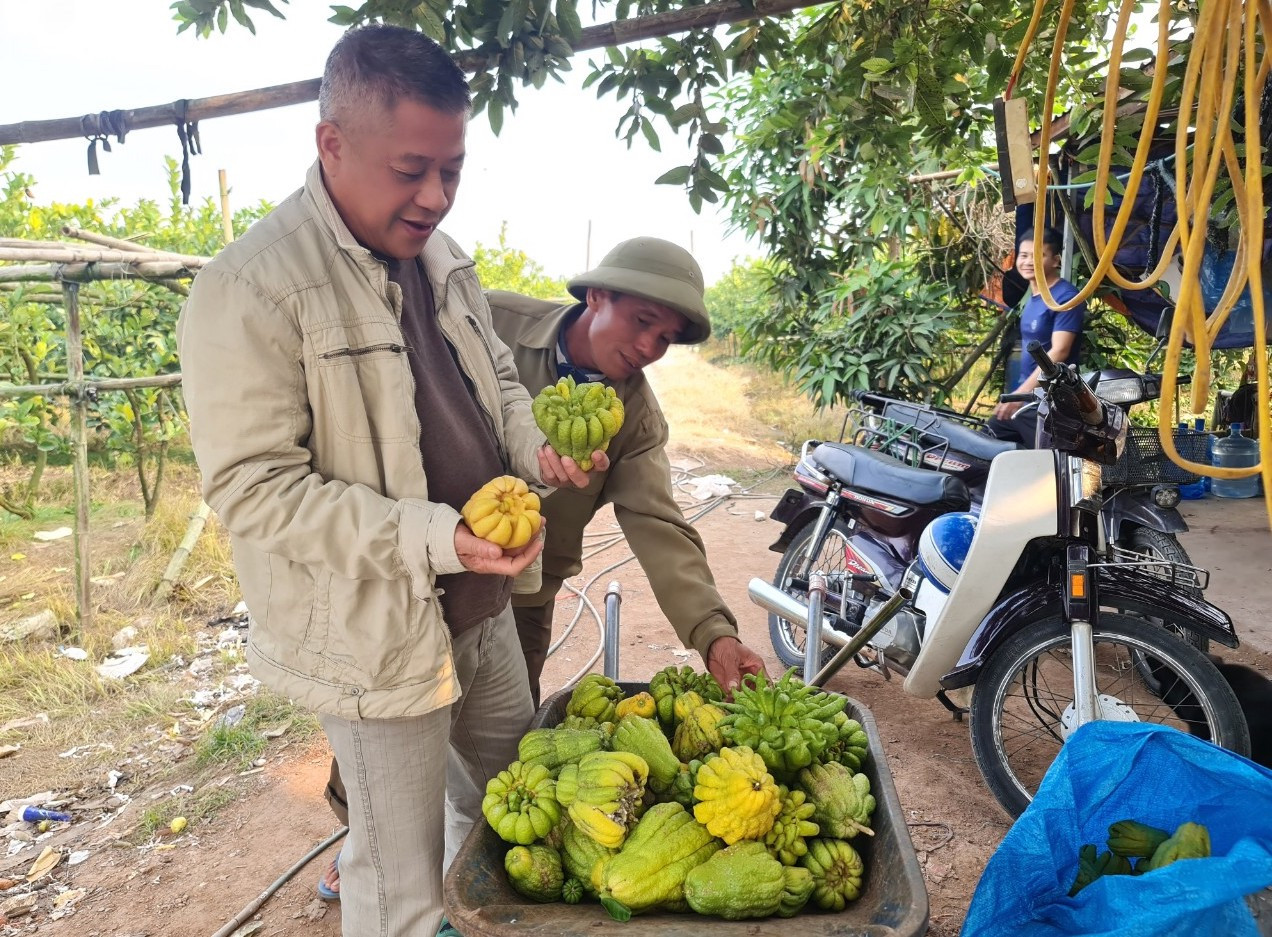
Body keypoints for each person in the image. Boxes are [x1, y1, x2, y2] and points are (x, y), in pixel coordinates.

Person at [176, 25, 605, 937]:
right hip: (375, 639)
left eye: (452, 169)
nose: (436, 196)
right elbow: (254, 488)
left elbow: (495, 388)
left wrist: (538, 457)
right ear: (331, 142)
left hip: (484, 611)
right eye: (412, 169)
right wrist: (436, 536)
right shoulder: (250, 289)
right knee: (396, 877)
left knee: (511, 815)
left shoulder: (444, 260)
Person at [320, 237, 770, 892]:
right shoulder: (492, 322)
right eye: (642, 322)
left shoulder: (632, 412)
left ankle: (475, 870)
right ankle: (355, 829)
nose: (649, 347)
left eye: (666, 337)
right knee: (380, 729)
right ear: (597, 297)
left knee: (502, 743)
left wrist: (714, 633)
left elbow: (658, 522)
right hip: (420, 568)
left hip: (520, 594)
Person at [986, 226, 1087, 446]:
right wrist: (1020, 395)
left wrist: (1021, 395)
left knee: (1050, 468)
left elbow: (1059, 351)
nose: (1028, 262)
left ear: (1056, 260)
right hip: (1027, 399)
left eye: (1037, 255)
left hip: (1050, 402)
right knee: (988, 440)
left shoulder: (1065, 297)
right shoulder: (1032, 298)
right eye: (1023, 256)